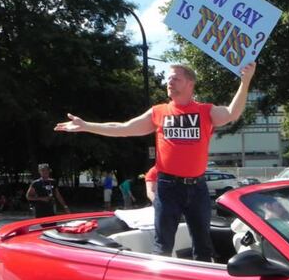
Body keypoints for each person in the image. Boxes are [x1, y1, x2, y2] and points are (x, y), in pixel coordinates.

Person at [55, 62, 256, 261]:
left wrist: (245, 80)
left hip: (198, 188)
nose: (170, 82)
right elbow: (123, 128)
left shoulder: (206, 111)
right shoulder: (158, 112)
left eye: (176, 78)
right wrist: (86, 126)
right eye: (168, 79)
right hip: (168, 187)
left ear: (190, 83)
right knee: (163, 245)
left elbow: (232, 113)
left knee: (203, 244)